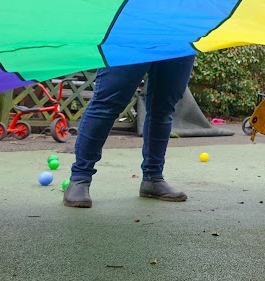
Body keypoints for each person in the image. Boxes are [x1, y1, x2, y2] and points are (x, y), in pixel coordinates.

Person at [63, 56, 195, 208]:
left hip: (180, 37)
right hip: (132, 34)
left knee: (164, 109)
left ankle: (153, 178)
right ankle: (80, 177)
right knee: (107, 102)